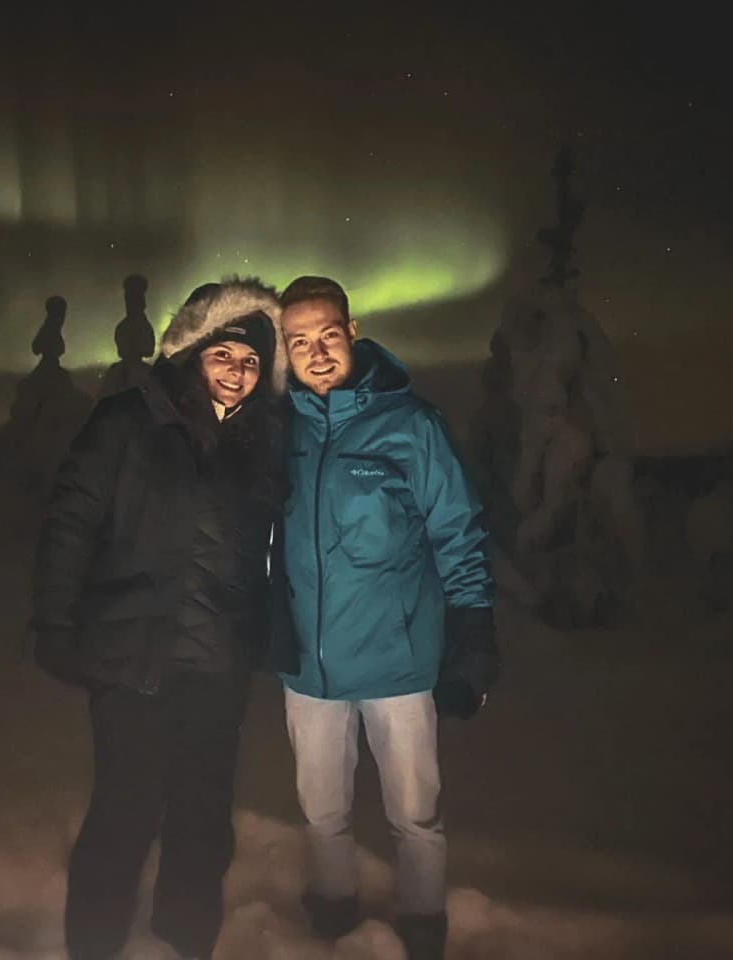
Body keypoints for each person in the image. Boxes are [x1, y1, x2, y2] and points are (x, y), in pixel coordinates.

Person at [30, 277, 287, 960]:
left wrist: (268, 635)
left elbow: (275, 550)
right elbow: (71, 522)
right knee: (124, 814)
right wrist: (54, 623)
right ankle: (93, 947)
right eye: (222, 356)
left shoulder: (261, 445)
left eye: (251, 363)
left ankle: (183, 946)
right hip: (132, 658)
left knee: (201, 823)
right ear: (192, 354)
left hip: (216, 669)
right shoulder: (128, 423)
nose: (236, 374)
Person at [271, 275, 498, 960]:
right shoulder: (277, 432)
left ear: (354, 331)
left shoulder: (411, 425)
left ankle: (424, 920)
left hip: (398, 662)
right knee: (322, 811)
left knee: (415, 814)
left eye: (328, 335)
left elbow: (459, 532)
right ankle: (334, 908)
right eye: (298, 340)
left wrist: (474, 634)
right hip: (309, 665)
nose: (315, 352)